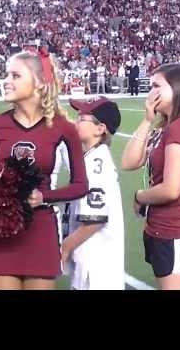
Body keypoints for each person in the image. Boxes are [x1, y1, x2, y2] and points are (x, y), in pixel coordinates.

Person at [0, 49, 89, 290]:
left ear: (39, 83)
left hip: (41, 231)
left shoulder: (64, 129)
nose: (6, 81)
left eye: (15, 75)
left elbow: (80, 185)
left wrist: (44, 197)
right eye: (6, 75)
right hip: (4, 232)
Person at [121, 63, 180, 290]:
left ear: (177, 88)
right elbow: (129, 162)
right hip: (161, 227)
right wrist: (147, 120)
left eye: (157, 86)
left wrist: (140, 196)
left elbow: (171, 189)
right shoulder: (166, 126)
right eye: (150, 86)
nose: (151, 92)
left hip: (176, 227)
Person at [60, 97, 124, 290]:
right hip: (90, 263)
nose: (76, 122)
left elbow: (95, 220)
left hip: (96, 269)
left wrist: (65, 248)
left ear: (100, 128)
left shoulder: (97, 165)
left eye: (82, 118)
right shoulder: (90, 158)